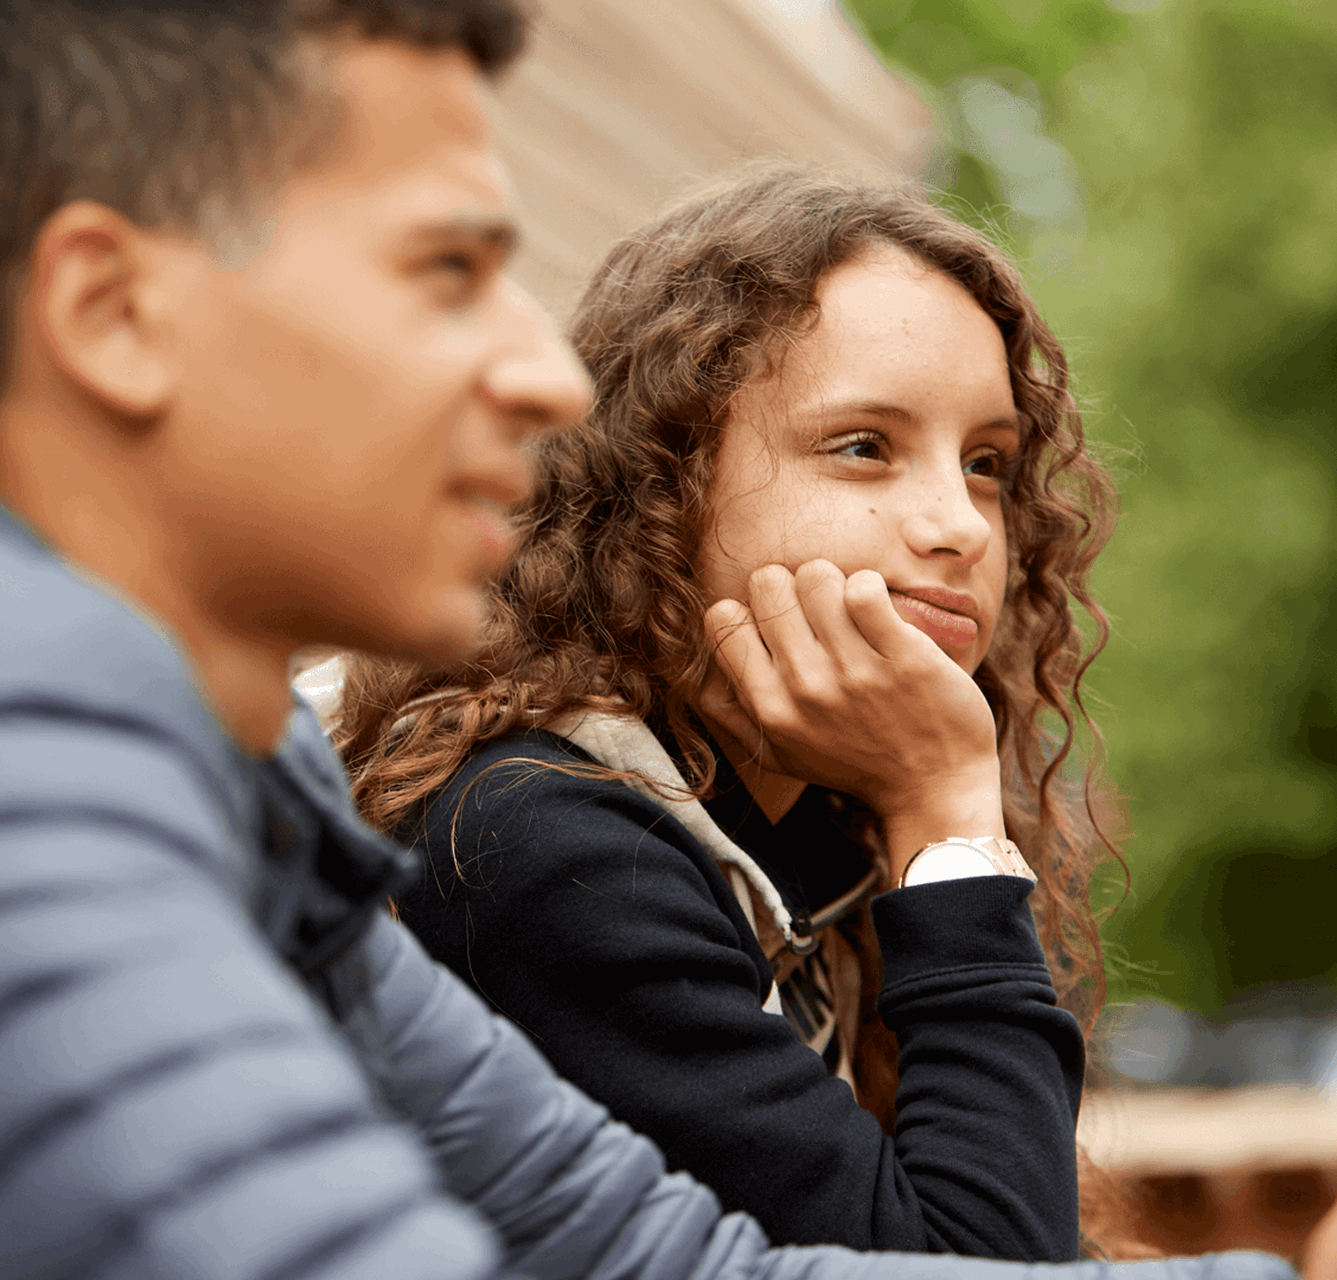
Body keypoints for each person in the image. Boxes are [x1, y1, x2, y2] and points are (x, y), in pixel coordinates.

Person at [0, 3, 1300, 1278]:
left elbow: (681, 1266)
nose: (542, 371)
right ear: (117, 312)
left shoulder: (217, 806)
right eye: (443, 269)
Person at [325, 169, 1132, 1258]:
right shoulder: (534, 836)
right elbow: (967, 1263)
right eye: (864, 445)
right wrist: (949, 824)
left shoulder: (813, 830)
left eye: (986, 463)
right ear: (664, 476)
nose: (959, 525)